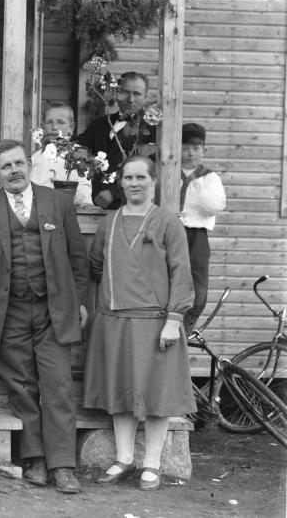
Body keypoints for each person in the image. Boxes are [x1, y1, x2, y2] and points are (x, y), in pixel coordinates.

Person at [0, 139, 88, 494]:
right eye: (5, 167)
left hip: (52, 309)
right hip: (6, 312)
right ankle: (34, 459)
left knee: (58, 385)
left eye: (18, 163)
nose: (14, 171)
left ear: (28, 164)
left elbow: (77, 257)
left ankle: (63, 465)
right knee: (22, 386)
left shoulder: (58, 203)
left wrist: (80, 302)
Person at [83, 155, 196, 490]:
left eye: (140, 177)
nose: (134, 184)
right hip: (115, 320)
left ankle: (152, 464)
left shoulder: (167, 222)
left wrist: (174, 319)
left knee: (156, 394)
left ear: (153, 182)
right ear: (121, 182)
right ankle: (124, 458)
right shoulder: (110, 222)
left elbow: (181, 272)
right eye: (128, 178)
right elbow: (96, 265)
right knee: (120, 390)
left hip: (155, 321)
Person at [75, 71, 157, 209]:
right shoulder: (99, 124)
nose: (130, 99)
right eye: (125, 92)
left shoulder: (152, 130)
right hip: (93, 205)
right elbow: (77, 148)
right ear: (117, 93)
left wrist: (115, 193)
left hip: (130, 206)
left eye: (137, 94)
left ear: (145, 97)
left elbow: (153, 172)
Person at [178, 123, 226, 333]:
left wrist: (194, 183)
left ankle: (186, 328)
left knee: (198, 284)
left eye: (196, 148)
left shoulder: (209, 177)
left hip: (196, 235)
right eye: (185, 148)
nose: (190, 153)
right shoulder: (168, 171)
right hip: (172, 231)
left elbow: (214, 206)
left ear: (203, 150)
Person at [29, 103, 93, 207]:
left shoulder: (78, 153)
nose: (54, 127)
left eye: (60, 122)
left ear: (71, 127)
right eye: (49, 122)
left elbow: (83, 185)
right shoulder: (35, 158)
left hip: (69, 210)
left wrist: (85, 203)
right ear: (43, 127)